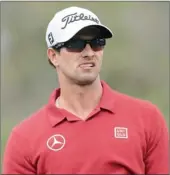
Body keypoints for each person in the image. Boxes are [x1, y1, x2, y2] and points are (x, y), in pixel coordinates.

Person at [2, 6, 168, 174]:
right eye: (76, 44)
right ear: (53, 56)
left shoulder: (146, 118)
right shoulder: (24, 139)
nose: (89, 52)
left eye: (97, 43)